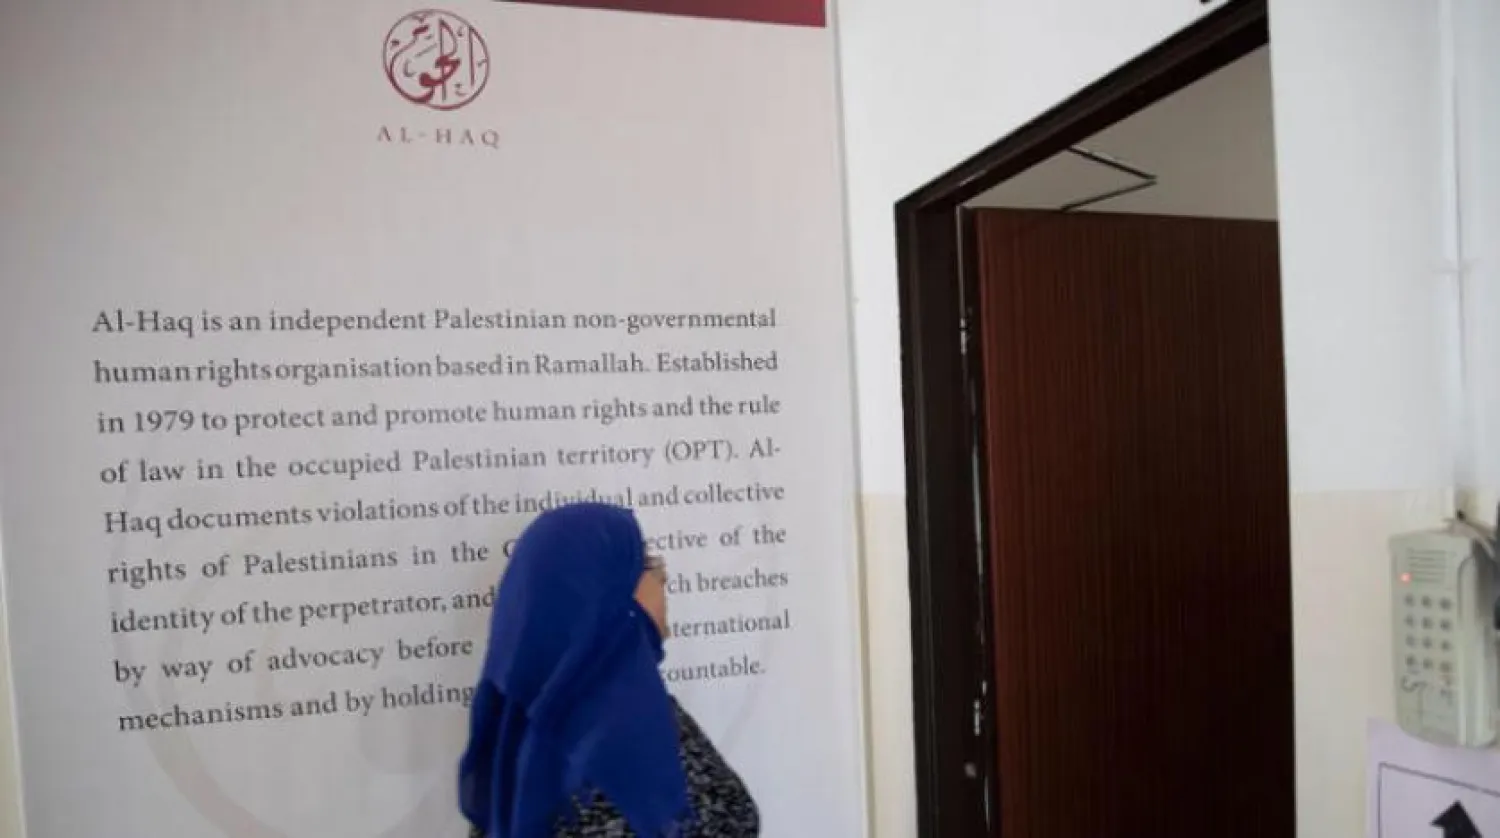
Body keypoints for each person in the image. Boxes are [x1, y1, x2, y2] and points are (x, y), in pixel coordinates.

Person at [460, 502, 760, 838]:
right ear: (609, 592)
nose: (662, 582)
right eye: (650, 566)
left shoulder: (519, 731)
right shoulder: (610, 738)